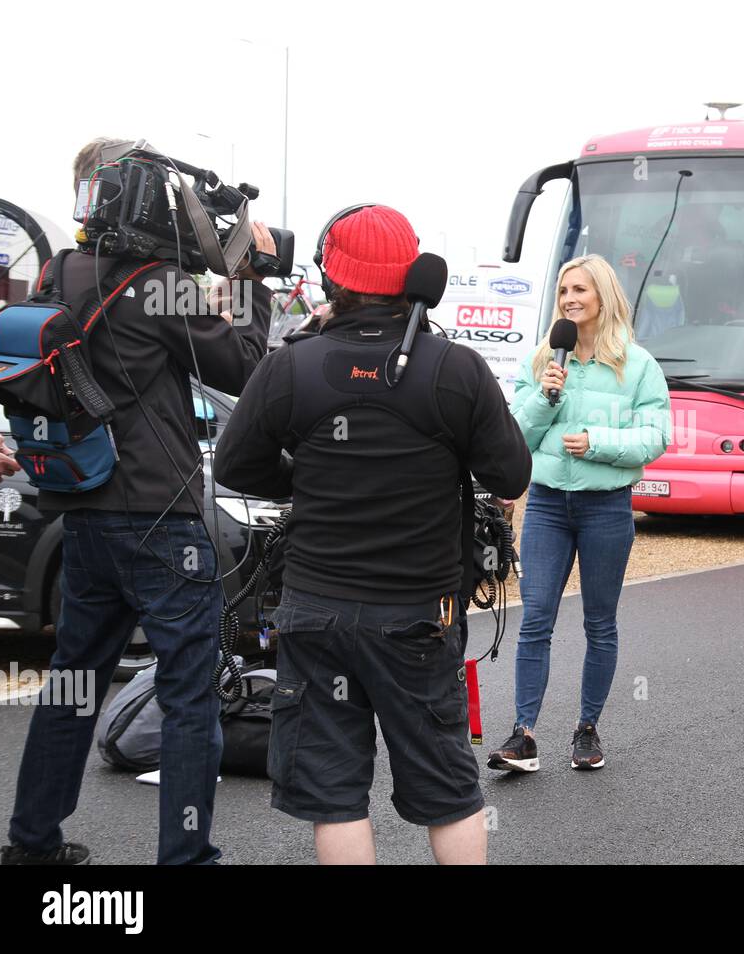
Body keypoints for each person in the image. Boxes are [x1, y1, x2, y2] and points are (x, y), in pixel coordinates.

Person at [215, 205, 531, 865]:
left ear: (331, 278)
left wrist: (310, 479)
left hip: (314, 613)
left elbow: (236, 466)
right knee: (447, 783)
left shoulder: (291, 366)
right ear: (415, 275)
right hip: (420, 614)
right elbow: (510, 470)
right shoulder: (457, 369)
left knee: (333, 790)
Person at [0, 137, 273, 866]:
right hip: (162, 519)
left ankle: (32, 841)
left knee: (73, 684)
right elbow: (245, 365)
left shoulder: (62, 271)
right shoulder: (160, 281)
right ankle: (186, 856)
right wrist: (248, 273)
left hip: (85, 510)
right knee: (190, 696)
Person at [487, 254, 671, 774]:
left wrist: (597, 443)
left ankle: (587, 729)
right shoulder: (543, 360)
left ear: (603, 297)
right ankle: (524, 736)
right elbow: (513, 436)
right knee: (535, 619)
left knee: (599, 624)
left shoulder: (638, 366)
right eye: (564, 289)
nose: (569, 298)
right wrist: (547, 397)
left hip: (606, 508)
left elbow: (655, 437)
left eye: (580, 290)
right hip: (545, 503)